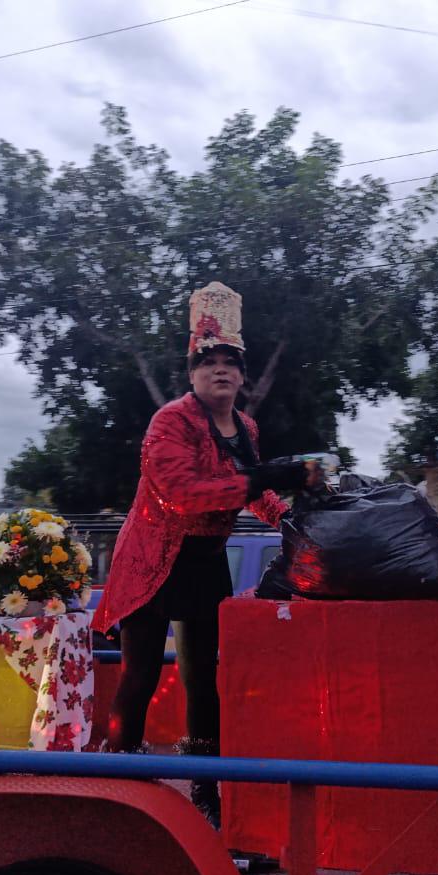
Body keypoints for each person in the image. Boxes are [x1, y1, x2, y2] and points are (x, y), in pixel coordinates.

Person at [92, 281, 318, 827]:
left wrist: (288, 518)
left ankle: (206, 786)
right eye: (208, 362)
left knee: (203, 678)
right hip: (153, 557)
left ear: (242, 375)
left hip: (205, 559)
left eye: (230, 363)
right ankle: (120, 779)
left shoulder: (247, 426)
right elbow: (183, 494)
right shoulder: (170, 421)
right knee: (140, 674)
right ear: (191, 373)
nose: (221, 371)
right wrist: (265, 478)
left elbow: (250, 488)